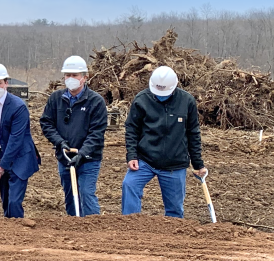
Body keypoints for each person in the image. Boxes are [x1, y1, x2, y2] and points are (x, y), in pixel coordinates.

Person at [122, 65, 206, 218]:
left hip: (175, 164)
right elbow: (132, 129)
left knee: (174, 210)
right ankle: (130, 225)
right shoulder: (142, 100)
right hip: (145, 160)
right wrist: (132, 156)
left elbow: (193, 133)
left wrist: (198, 163)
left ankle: (172, 238)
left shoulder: (186, 101)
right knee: (129, 185)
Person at [39, 55, 108, 216]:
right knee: (70, 196)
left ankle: (94, 228)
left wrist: (82, 153)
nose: (71, 79)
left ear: (84, 77)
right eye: (67, 75)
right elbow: (46, 123)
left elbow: (96, 133)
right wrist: (59, 142)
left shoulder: (96, 102)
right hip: (65, 158)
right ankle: (73, 230)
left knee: (86, 193)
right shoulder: (56, 99)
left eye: (75, 75)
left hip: (89, 159)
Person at [0, 62, 40, 218]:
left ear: (6, 83)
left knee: (13, 202)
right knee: (5, 200)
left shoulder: (18, 107)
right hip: (0, 153)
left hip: (20, 157)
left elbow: (16, 140)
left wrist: (0, 168)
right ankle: (8, 234)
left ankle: (19, 232)